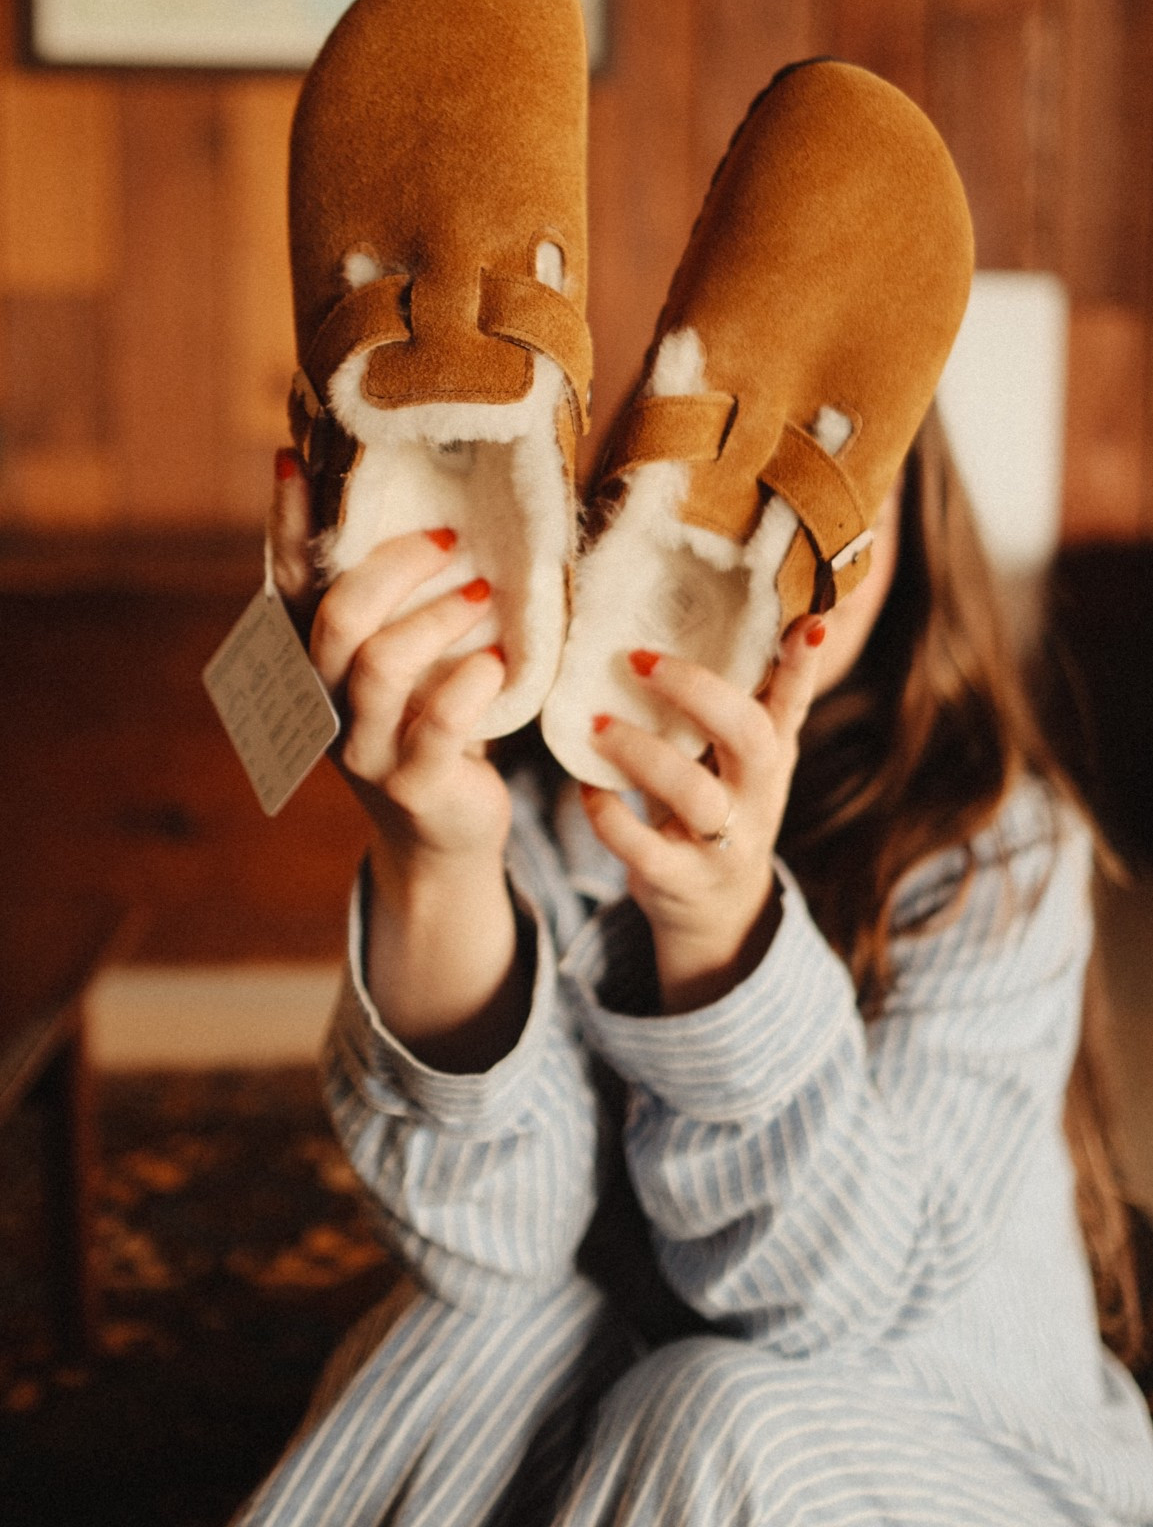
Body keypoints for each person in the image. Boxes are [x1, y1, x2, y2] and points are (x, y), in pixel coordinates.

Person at [237, 406, 1153, 1527]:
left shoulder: (996, 848)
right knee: (461, 1331)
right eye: (713, 483)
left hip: (962, 1431)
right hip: (631, 1366)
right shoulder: (536, 803)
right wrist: (437, 852)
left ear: (912, 530)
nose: (762, 542)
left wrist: (719, 928)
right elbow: (491, 1247)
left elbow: (824, 1303)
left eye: (832, 491)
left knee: (710, 1408)